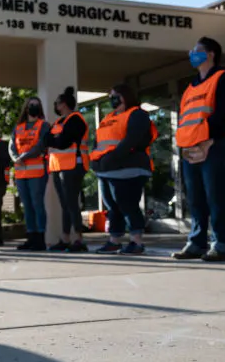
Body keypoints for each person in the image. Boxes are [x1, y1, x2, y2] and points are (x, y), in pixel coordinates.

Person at [172, 37, 225, 262]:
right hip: (191, 148)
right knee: (196, 199)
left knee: (216, 196)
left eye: (197, 50)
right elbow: (185, 119)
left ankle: (221, 244)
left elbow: (224, 112)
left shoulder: (223, 78)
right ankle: (197, 242)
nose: (192, 53)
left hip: (215, 145)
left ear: (211, 54)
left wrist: (207, 139)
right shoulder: (190, 87)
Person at [90, 84, 158, 255]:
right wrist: (96, 160)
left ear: (126, 96)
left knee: (127, 205)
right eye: (111, 95)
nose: (113, 99)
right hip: (107, 169)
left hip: (129, 168)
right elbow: (97, 143)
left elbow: (133, 140)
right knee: (112, 206)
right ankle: (114, 241)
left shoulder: (137, 114)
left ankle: (136, 242)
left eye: (116, 95)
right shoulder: (107, 118)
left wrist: (112, 158)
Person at [45, 87, 90, 253]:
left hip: (72, 166)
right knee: (65, 204)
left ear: (63, 104)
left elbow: (63, 141)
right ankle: (65, 238)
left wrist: (53, 139)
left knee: (71, 203)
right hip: (57, 166)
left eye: (57, 103)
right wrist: (54, 139)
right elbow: (47, 139)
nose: (55, 106)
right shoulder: (58, 123)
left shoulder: (75, 119)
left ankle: (78, 238)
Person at [10, 96, 51, 250]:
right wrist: (15, 157)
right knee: (27, 206)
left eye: (37, 105)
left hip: (37, 172)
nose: (34, 107)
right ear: (26, 108)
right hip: (21, 173)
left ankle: (40, 238)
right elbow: (11, 145)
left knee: (37, 204)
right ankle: (31, 237)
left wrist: (23, 157)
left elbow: (40, 145)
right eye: (31, 105)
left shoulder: (44, 125)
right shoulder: (19, 127)